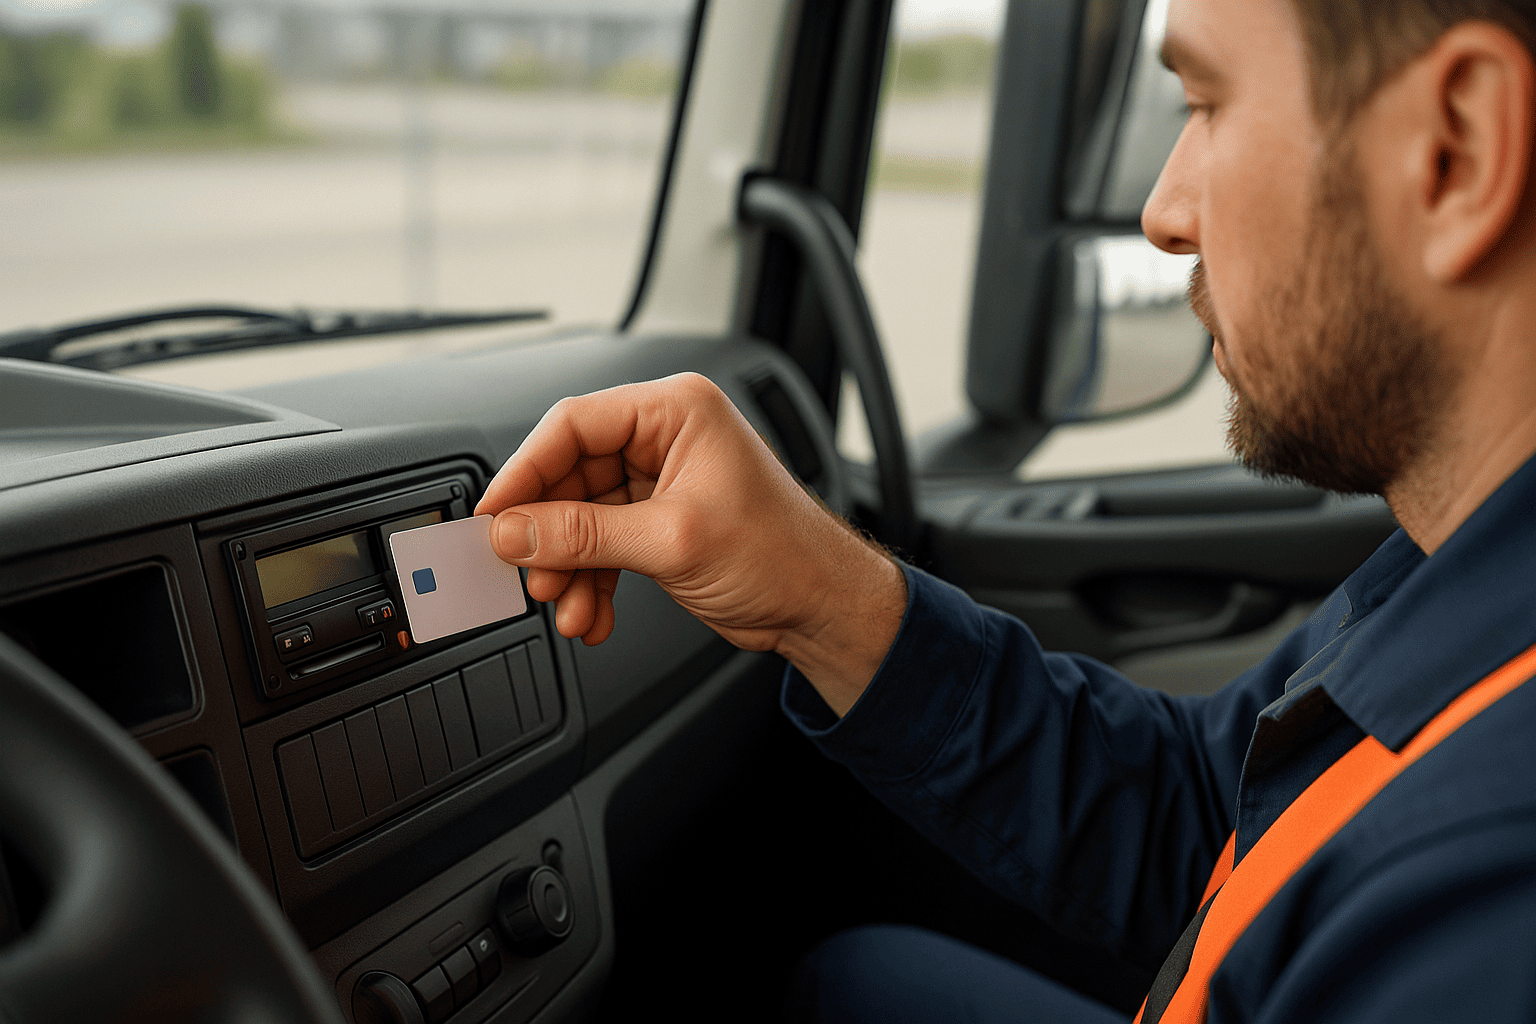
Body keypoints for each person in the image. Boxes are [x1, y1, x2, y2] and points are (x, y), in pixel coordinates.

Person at [475, 0, 1536, 1019]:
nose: (1164, 213)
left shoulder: (1490, 902)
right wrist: (814, 591)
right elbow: (1215, 819)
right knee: (858, 981)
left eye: (1207, 103)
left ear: (1457, 150)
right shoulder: (1462, 564)